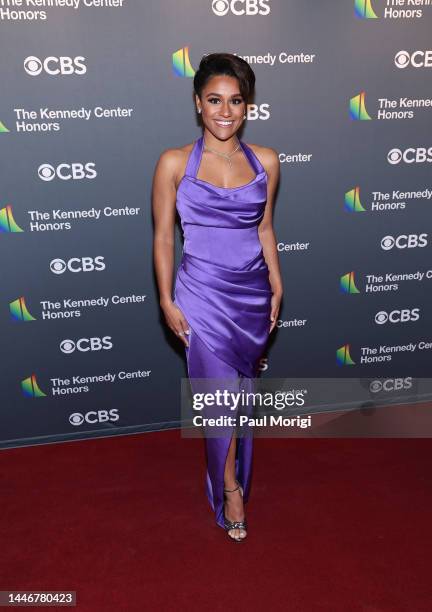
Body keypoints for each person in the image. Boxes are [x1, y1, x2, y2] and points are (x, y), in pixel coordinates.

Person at [152, 52, 283, 542]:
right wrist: (166, 299)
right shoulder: (172, 163)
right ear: (197, 104)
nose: (225, 111)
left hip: (250, 294)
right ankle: (229, 487)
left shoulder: (265, 161)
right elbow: (164, 237)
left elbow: (266, 227)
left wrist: (277, 282)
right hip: (200, 296)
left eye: (236, 101)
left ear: (247, 107)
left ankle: (231, 472)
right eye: (214, 100)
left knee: (241, 399)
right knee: (219, 402)